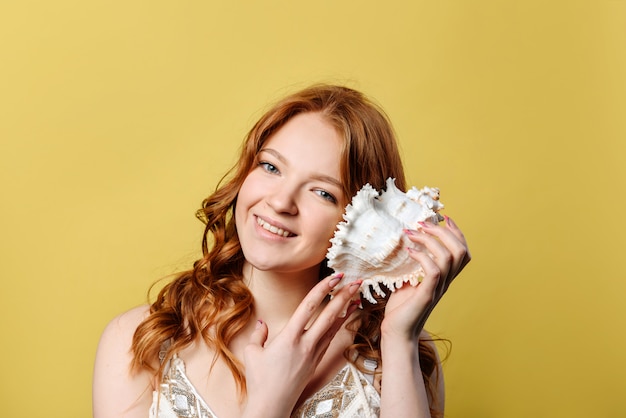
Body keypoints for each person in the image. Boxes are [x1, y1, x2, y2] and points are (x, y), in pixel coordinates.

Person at [93, 84, 471, 418]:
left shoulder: (401, 350)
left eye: (323, 192)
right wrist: (270, 402)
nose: (280, 202)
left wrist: (399, 340)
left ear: (361, 219)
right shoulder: (141, 339)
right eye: (271, 167)